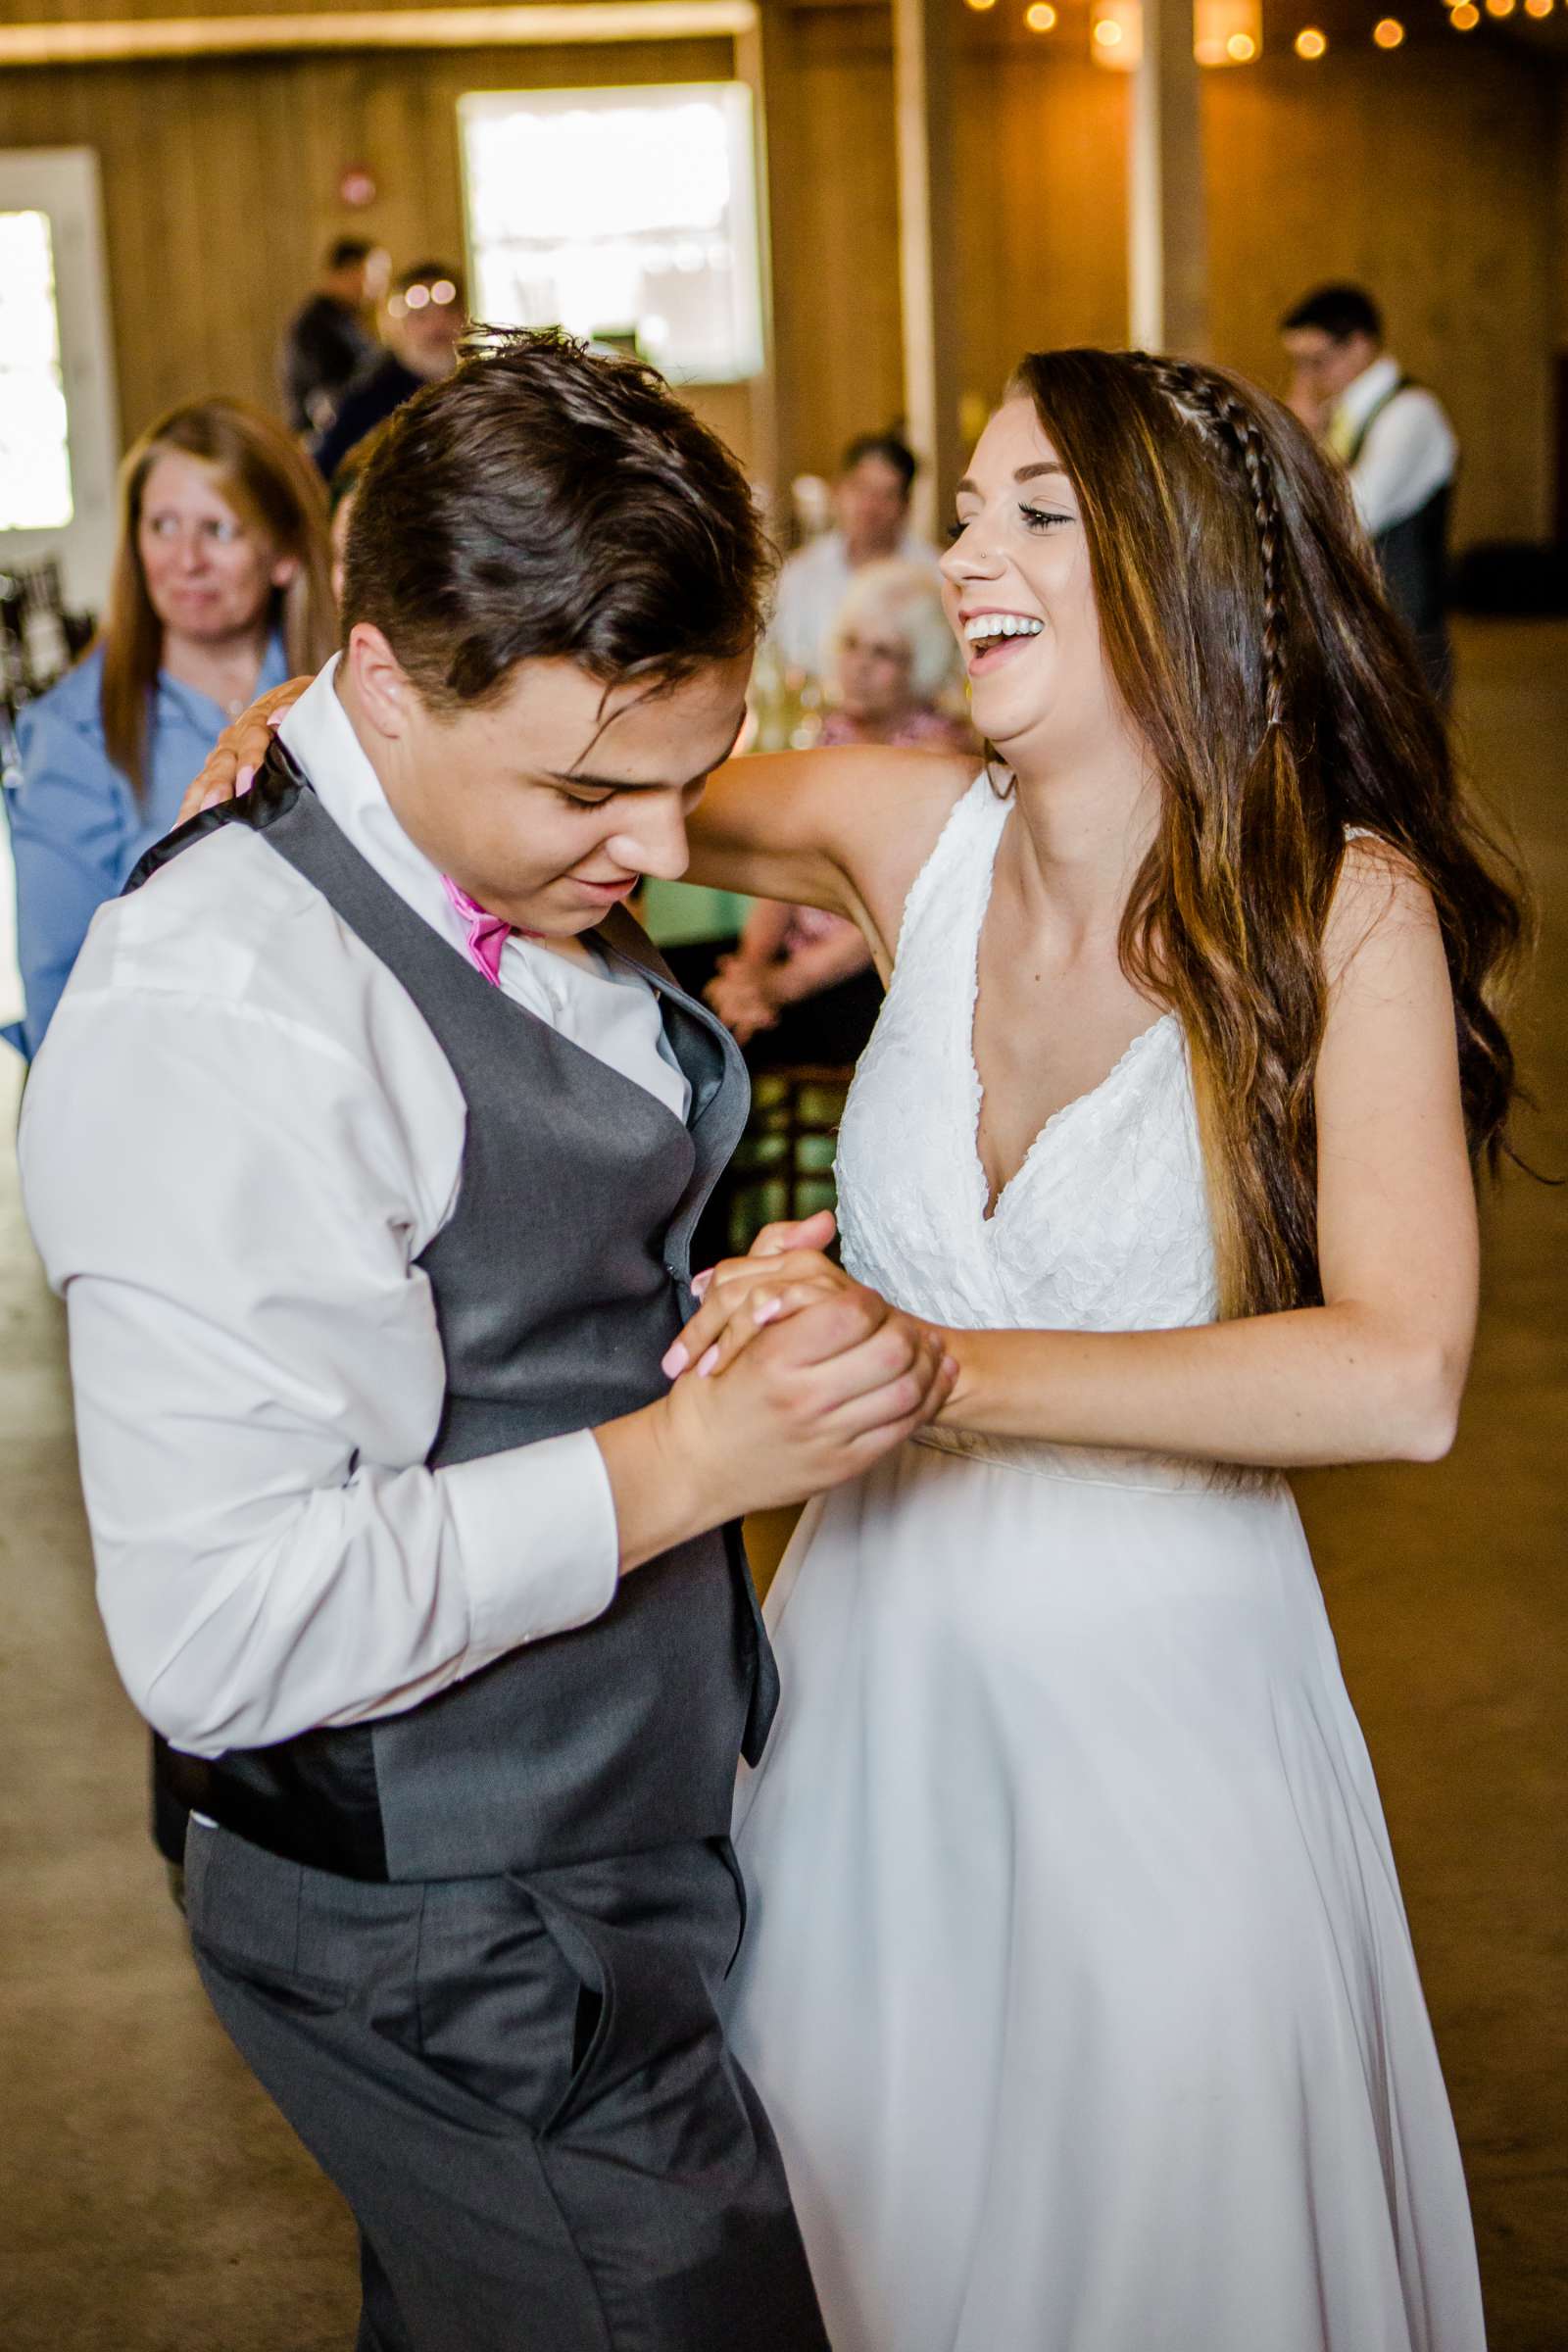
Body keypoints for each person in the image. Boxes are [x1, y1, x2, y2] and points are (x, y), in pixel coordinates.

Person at [188, 346, 1519, 2351]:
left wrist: (935, 1366)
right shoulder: (916, 834)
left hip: (1161, 1718)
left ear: (1171, 567)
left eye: (1029, 514)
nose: (965, 556)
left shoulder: (1340, 909)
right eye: (966, 511)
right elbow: (560, 753)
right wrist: (328, 723)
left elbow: (1397, 1373)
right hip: (867, 1694)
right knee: (837, 2230)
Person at [21, 329, 955, 2352]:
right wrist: (692, 1465)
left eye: (685, 779)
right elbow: (228, 1630)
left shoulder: (482, 809)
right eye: (591, 792)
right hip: (451, 1930)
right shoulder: (226, 1016)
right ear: (380, 678)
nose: (660, 848)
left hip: (599, 1855)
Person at [5, 398, 334, 1058]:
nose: (185, 561)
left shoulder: (345, 689)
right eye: (161, 526)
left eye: (219, 529)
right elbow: (62, 1000)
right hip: (168, 1074)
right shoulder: (70, 733)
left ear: (285, 556)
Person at [708, 558, 969, 1068]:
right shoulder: (836, 732)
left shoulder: (937, 758)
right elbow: (782, 861)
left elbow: (890, 916)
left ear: (922, 663)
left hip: (875, 973)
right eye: (852, 644)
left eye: (885, 652)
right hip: (800, 956)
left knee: (710, 1037)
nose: (861, 665)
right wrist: (750, 964)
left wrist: (781, 985)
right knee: (666, 986)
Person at [1282, 283, 1458, 697]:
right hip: (1353, 631)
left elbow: (1354, 515)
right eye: (1298, 363)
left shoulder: (1412, 413)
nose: (1305, 379)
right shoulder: (1338, 413)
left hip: (1404, 636)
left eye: (1316, 362)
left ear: (1359, 346)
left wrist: (1301, 444)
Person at [768, 431, 939, 680]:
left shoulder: (934, 575)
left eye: (886, 494)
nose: (870, 506)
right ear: (838, 490)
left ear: (905, 506)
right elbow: (781, 662)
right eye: (861, 489)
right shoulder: (801, 574)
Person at [312, 260, 466, 481]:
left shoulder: (479, 389)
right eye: (421, 315)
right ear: (399, 324)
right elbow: (324, 477)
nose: (436, 325)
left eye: (448, 311)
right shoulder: (367, 402)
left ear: (463, 316)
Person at [279, 236, 387, 436]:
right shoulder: (316, 326)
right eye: (376, 273)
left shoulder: (344, 320)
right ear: (349, 270)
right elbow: (325, 396)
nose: (381, 285)